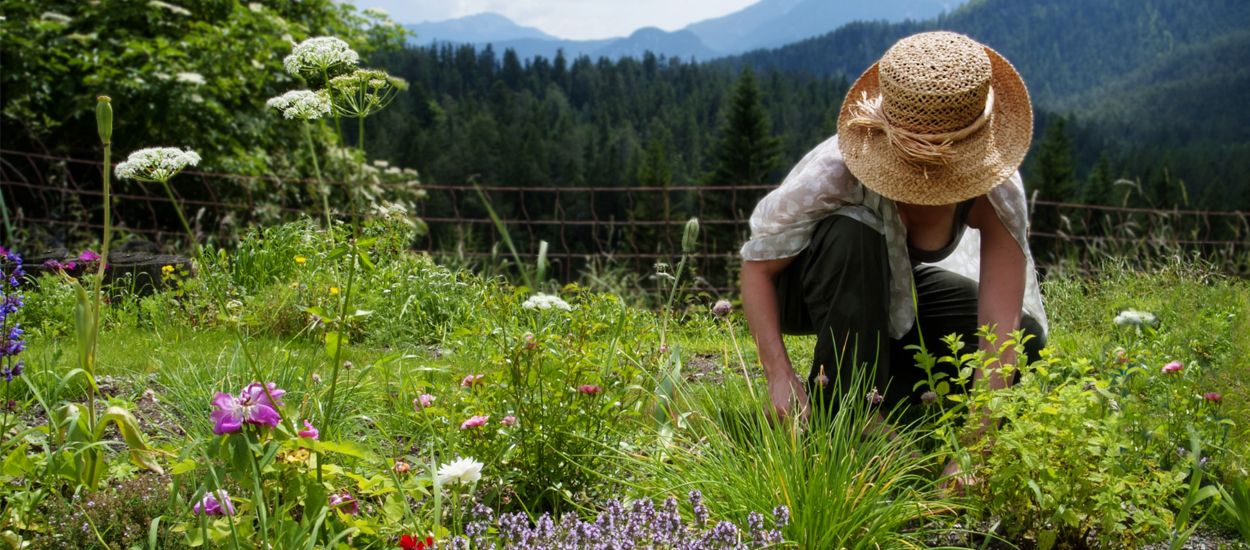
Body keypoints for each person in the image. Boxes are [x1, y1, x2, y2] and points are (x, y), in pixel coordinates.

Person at [738, 31, 1047, 480]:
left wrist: (975, 446)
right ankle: (852, 411)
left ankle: (884, 393)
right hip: (809, 286)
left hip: (887, 290)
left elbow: (998, 330)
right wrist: (778, 376)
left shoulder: (996, 187)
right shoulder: (838, 170)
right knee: (854, 232)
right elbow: (757, 270)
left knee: (1026, 338)